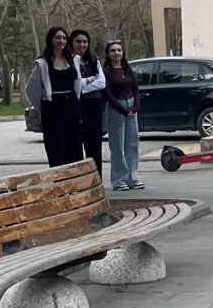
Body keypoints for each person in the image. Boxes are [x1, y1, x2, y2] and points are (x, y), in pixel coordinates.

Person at [24, 27, 88, 167]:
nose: (61, 41)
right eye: (58, 38)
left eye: (64, 38)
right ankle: (59, 177)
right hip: (52, 109)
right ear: (50, 40)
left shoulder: (73, 60)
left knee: (74, 146)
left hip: (72, 107)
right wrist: (43, 107)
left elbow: (77, 82)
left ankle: (75, 178)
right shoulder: (42, 63)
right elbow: (31, 89)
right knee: (56, 147)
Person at [103, 40, 143, 191]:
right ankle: (119, 180)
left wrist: (136, 107)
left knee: (132, 144)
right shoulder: (107, 72)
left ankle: (132, 178)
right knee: (118, 146)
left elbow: (135, 89)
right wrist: (122, 110)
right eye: (113, 51)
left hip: (131, 106)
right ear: (108, 54)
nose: (117, 53)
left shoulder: (128, 69)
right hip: (116, 108)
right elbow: (108, 94)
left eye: (119, 50)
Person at [69, 30, 107, 178]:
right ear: (72, 43)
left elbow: (101, 82)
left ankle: (96, 180)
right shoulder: (68, 60)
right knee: (75, 146)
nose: (82, 45)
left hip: (94, 106)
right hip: (75, 107)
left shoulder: (93, 59)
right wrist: (90, 80)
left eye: (85, 42)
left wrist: (81, 89)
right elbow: (74, 84)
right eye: (78, 41)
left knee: (94, 146)